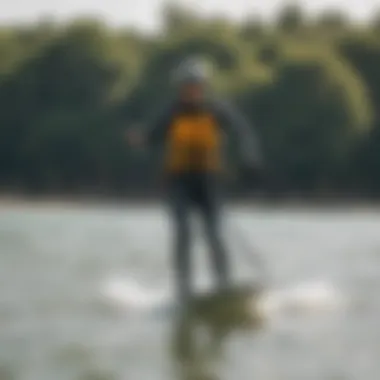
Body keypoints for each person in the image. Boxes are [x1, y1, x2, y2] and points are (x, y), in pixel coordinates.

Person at [126, 57, 263, 303]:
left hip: (209, 181)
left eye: (196, 85)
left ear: (204, 86)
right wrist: (140, 139)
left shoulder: (218, 111)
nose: (192, 90)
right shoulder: (171, 113)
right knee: (183, 232)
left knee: (214, 233)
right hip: (179, 182)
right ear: (180, 88)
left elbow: (244, 131)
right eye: (187, 86)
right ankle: (183, 289)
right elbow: (152, 136)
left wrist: (249, 156)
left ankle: (223, 285)